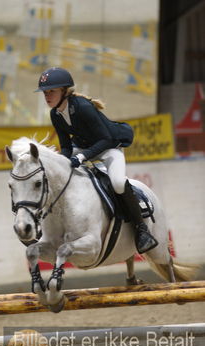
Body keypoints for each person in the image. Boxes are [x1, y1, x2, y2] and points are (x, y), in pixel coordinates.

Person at [35, 66, 158, 254]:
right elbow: (66, 146)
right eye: (45, 92)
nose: (47, 96)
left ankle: (142, 230)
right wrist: (65, 161)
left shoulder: (83, 107)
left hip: (109, 147)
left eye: (51, 91)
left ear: (64, 91)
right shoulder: (55, 114)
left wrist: (81, 157)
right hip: (83, 147)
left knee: (117, 183)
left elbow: (106, 139)